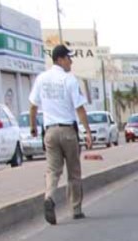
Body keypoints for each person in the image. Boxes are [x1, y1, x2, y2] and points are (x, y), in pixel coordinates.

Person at [28, 45, 93, 225]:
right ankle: (76, 209)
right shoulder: (69, 80)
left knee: (52, 170)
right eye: (68, 58)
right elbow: (79, 108)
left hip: (50, 132)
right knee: (73, 171)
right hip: (68, 131)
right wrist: (87, 132)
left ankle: (49, 196)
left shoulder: (41, 79)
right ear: (59, 59)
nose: (70, 62)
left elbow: (33, 106)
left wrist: (32, 127)